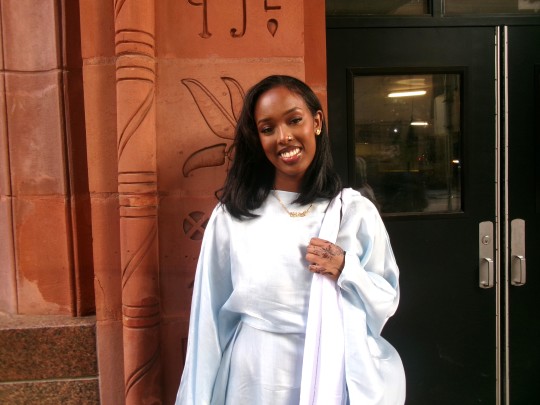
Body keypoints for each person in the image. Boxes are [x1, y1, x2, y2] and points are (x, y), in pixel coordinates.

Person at [176, 75, 405, 405]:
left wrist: (347, 269)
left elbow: (386, 299)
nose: (283, 137)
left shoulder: (353, 212)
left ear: (316, 122)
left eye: (294, 120)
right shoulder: (233, 217)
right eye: (267, 128)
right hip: (253, 377)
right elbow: (208, 320)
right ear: (258, 138)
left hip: (332, 370)